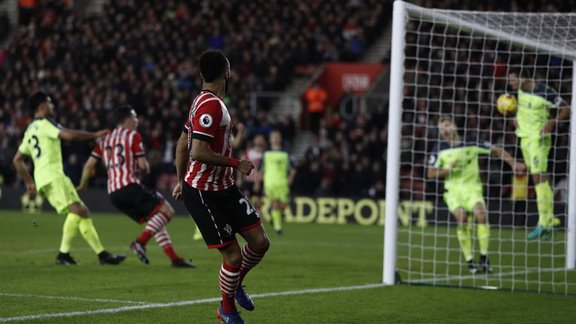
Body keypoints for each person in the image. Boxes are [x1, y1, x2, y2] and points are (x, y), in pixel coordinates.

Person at [172, 49, 270, 324]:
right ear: (227, 72)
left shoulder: (203, 101)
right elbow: (197, 151)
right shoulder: (210, 106)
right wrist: (235, 162)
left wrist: (179, 179)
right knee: (233, 256)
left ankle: (235, 284)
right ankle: (226, 310)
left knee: (260, 242)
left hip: (224, 187)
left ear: (202, 75)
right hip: (204, 193)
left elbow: (182, 142)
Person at [12, 91, 126, 266]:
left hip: (45, 177)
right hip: (53, 176)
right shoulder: (44, 124)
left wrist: (29, 182)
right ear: (42, 106)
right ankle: (64, 254)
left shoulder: (30, 130)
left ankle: (101, 255)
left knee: (81, 211)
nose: (53, 106)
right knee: (79, 210)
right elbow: (70, 135)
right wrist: (95, 135)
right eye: (50, 103)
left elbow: (17, 160)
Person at [77, 106, 196, 268]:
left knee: (155, 220)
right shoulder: (133, 136)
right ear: (126, 119)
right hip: (129, 186)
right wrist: (145, 168)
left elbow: (89, 165)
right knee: (167, 211)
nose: (137, 121)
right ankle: (139, 242)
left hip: (113, 193)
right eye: (134, 118)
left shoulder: (105, 139)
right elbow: (143, 166)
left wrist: (83, 185)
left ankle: (175, 259)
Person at [427, 116, 526, 273]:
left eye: (446, 126)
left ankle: (484, 257)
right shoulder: (439, 149)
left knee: (481, 215)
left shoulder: (471, 143)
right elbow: (430, 173)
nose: (444, 131)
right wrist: (448, 170)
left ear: (454, 126)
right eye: (441, 129)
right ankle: (470, 260)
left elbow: (496, 150)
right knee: (462, 219)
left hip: (473, 189)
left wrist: (513, 163)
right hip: (453, 191)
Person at [508, 69, 570, 240]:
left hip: (539, 139)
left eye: (513, 80)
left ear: (523, 77)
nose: (511, 84)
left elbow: (566, 108)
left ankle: (543, 221)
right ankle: (549, 220)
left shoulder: (544, 92)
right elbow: (519, 108)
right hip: (524, 139)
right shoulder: (519, 92)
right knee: (538, 178)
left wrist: (552, 122)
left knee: (538, 177)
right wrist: (515, 118)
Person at [262, 130, 296, 235]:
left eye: (278, 137)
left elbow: (293, 169)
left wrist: (290, 177)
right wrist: (259, 180)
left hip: (282, 182)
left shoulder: (286, 152)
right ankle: (278, 228)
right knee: (275, 203)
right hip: (270, 182)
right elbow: (261, 168)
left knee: (285, 204)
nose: (276, 139)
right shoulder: (266, 152)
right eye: (274, 137)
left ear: (280, 139)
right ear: (270, 139)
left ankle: (273, 216)